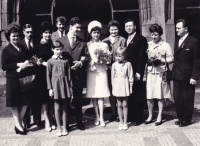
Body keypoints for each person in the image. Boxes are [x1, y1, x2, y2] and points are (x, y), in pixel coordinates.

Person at [57, 17, 87, 131]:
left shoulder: (82, 41)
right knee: (66, 99)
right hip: (64, 76)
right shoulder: (61, 41)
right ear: (70, 27)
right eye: (77, 27)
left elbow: (87, 56)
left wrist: (80, 62)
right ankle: (67, 123)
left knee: (78, 99)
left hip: (78, 75)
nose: (79, 29)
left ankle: (79, 122)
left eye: (80, 27)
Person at [1, 23, 31, 135]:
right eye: (13, 36)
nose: (15, 38)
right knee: (15, 103)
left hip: (23, 79)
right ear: (9, 36)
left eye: (17, 35)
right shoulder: (6, 50)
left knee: (25, 102)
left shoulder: (22, 48)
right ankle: (19, 125)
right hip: (12, 79)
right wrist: (18, 64)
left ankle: (18, 124)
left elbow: (28, 58)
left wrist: (27, 63)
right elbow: (4, 66)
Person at [172, 19, 200, 127]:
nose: (177, 30)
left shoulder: (194, 41)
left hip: (188, 75)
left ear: (186, 29)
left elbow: (197, 61)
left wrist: (194, 77)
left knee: (188, 98)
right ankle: (180, 117)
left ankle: (187, 119)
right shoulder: (176, 40)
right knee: (177, 98)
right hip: (177, 74)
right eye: (176, 28)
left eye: (179, 28)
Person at [145, 24, 174, 126]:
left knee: (160, 95)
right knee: (149, 95)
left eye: (156, 35)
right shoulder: (148, 44)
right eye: (152, 34)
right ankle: (150, 115)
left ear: (160, 34)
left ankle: (160, 116)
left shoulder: (165, 45)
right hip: (150, 72)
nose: (154, 37)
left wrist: (160, 60)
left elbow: (172, 58)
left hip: (160, 73)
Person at [85, 20, 110, 127]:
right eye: (94, 32)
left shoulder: (104, 45)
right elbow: (85, 58)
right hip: (92, 72)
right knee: (94, 95)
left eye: (98, 32)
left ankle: (102, 117)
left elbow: (108, 58)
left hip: (101, 71)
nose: (96, 34)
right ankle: (96, 116)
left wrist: (103, 60)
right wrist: (92, 61)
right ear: (90, 33)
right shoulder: (87, 45)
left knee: (101, 95)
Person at [18, 24, 42, 129]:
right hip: (25, 75)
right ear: (23, 32)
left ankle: (37, 120)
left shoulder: (36, 42)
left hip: (36, 73)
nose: (29, 34)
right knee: (26, 99)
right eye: (27, 32)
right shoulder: (19, 44)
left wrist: (38, 61)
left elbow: (39, 55)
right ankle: (26, 122)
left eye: (31, 32)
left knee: (36, 98)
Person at [124, 19, 148, 125]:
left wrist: (139, 72)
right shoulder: (126, 39)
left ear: (135, 27)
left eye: (130, 26)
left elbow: (142, 56)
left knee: (138, 93)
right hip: (127, 71)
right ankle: (131, 116)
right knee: (130, 93)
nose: (128, 28)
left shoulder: (140, 39)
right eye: (127, 26)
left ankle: (139, 118)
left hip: (136, 70)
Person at [47, 40, 72, 136]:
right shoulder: (50, 61)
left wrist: (70, 87)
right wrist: (50, 88)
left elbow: (69, 75)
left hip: (65, 85)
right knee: (57, 107)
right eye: (57, 49)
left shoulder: (65, 61)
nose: (59, 51)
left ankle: (65, 127)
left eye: (60, 49)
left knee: (65, 107)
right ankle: (58, 127)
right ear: (52, 49)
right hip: (55, 86)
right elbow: (48, 76)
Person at [102, 20, 125, 122]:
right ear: (109, 30)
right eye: (112, 29)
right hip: (108, 68)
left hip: (119, 67)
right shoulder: (104, 41)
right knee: (111, 91)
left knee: (119, 89)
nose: (114, 31)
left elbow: (125, 53)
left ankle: (121, 113)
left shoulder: (122, 40)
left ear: (118, 30)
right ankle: (114, 112)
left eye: (115, 29)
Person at [34, 21, 54, 132]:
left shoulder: (53, 45)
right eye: (46, 32)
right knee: (45, 99)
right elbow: (35, 60)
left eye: (49, 32)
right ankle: (47, 121)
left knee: (52, 99)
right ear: (42, 33)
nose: (47, 35)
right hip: (42, 76)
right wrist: (42, 63)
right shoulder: (37, 47)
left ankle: (51, 120)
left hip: (52, 75)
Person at [111, 47, 133, 130]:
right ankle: (120, 122)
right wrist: (113, 88)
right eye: (117, 56)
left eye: (120, 56)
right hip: (117, 85)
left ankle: (125, 122)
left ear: (124, 56)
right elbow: (112, 78)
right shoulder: (114, 65)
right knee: (119, 104)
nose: (118, 57)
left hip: (125, 84)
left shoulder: (128, 64)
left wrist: (130, 87)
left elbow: (131, 77)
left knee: (125, 104)